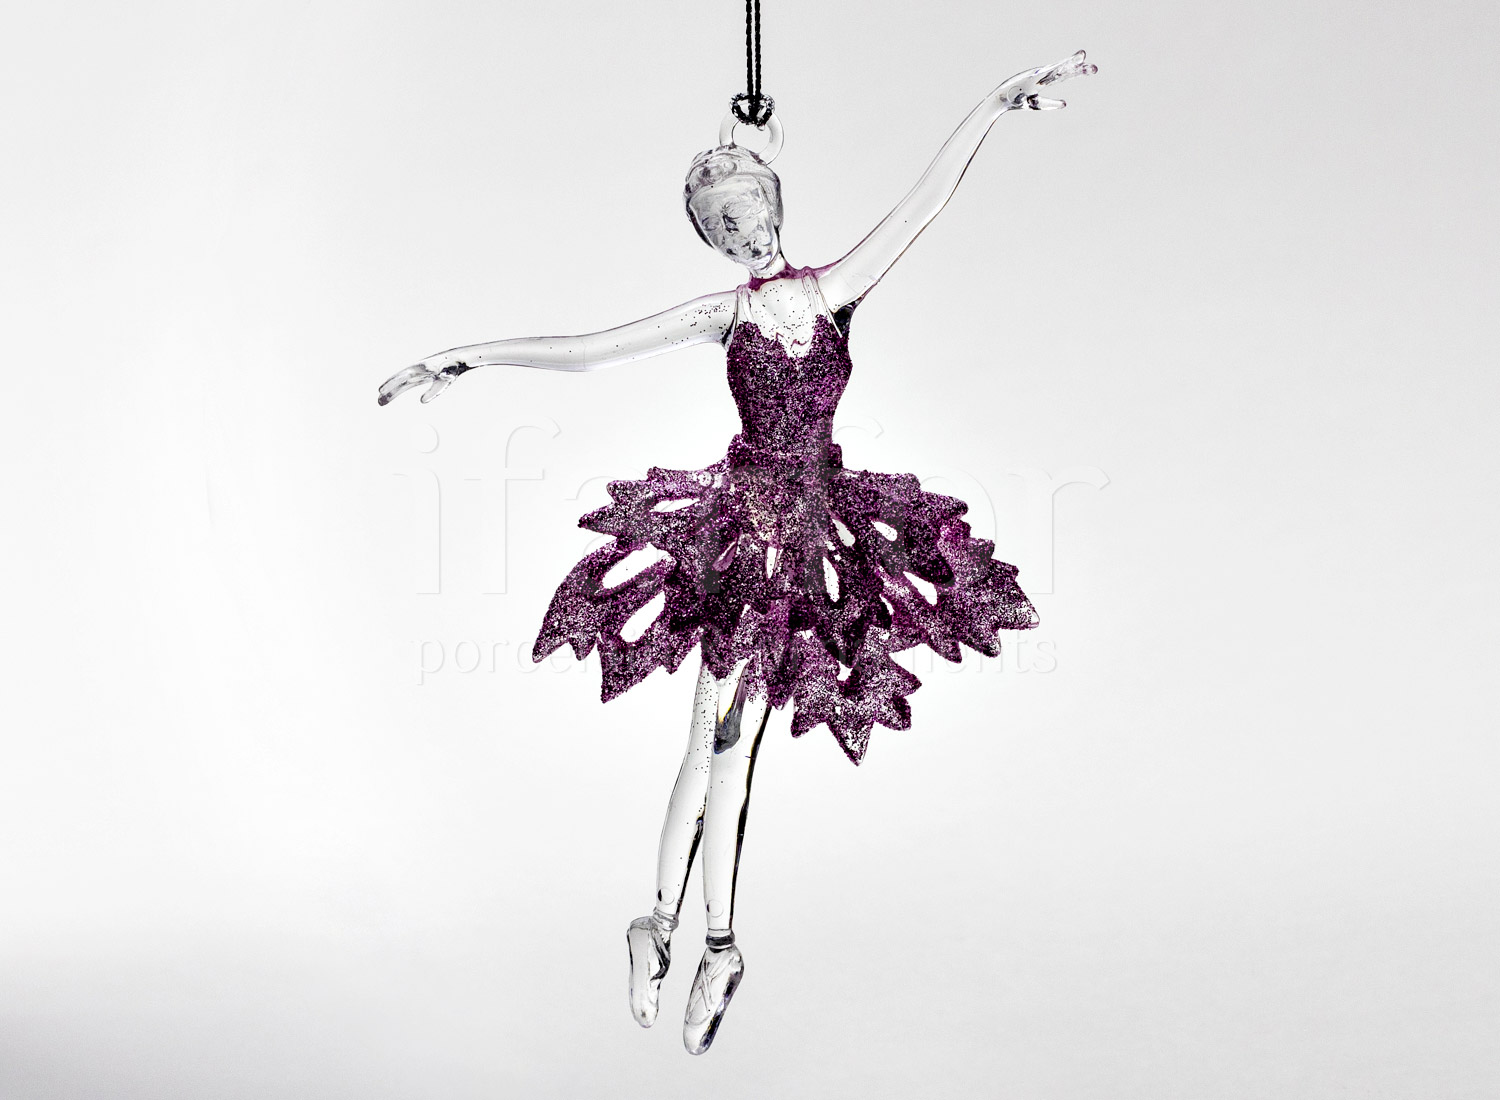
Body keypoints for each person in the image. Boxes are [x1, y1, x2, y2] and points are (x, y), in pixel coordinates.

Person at [379, 51, 1095, 1054]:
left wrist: (993, 103)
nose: (742, 231)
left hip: (813, 537)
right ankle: (695, 936)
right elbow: (589, 349)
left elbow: (923, 205)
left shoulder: (835, 288)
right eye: (722, 226)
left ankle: (679, 931)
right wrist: (468, 356)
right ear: (713, 241)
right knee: (716, 744)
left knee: (725, 746)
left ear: (773, 203)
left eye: (748, 210)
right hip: (740, 540)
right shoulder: (724, 313)